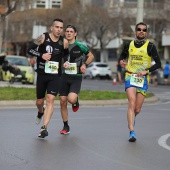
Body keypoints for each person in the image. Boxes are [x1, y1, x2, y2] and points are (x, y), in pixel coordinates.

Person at [119, 22, 161, 142]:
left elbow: (158, 64)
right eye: (139, 29)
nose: (141, 31)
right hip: (130, 76)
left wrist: (146, 71)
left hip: (143, 79)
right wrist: (122, 62)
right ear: (136, 31)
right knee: (131, 103)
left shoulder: (150, 46)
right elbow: (122, 57)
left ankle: (131, 119)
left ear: (146, 32)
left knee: (137, 109)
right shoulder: (129, 45)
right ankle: (132, 131)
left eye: (144, 30)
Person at [27, 18, 70, 138]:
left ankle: (44, 128)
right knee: (40, 102)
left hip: (55, 75)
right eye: (57, 27)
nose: (59, 30)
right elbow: (29, 50)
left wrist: (66, 62)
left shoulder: (64, 42)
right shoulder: (43, 37)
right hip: (42, 74)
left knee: (50, 100)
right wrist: (41, 55)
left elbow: (66, 54)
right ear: (51, 28)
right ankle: (40, 111)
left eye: (61, 28)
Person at [59, 25, 94, 135]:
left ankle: (75, 101)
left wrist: (85, 64)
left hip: (76, 77)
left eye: (71, 31)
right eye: (67, 31)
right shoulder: (61, 45)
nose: (69, 33)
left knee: (71, 99)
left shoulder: (80, 46)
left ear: (75, 34)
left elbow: (91, 56)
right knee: (62, 102)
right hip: (63, 77)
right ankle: (66, 125)